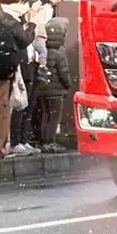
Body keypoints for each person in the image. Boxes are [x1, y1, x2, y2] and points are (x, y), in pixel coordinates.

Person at [0, 0, 39, 154]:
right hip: (15, 67)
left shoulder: (15, 19)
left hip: (27, 64)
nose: (26, 6)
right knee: (17, 104)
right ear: (15, 2)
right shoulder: (7, 20)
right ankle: (14, 142)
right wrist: (32, 27)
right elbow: (23, 40)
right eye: (24, 2)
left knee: (26, 103)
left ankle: (23, 139)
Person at [0, 0, 32, 159]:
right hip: (3, 72)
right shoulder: (9, 22)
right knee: (1, 112)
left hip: (3, 74)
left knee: (1, 112)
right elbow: (23, 40)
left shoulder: (5, 22)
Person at [34, 18, 71, 153]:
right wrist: (68, 85)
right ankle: (50, 142)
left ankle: (43, 141)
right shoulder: (59, 51)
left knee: (45, 115)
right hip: (56, 91)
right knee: (54, 116)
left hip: (42, 89)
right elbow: (64, 72)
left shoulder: (42, 49)